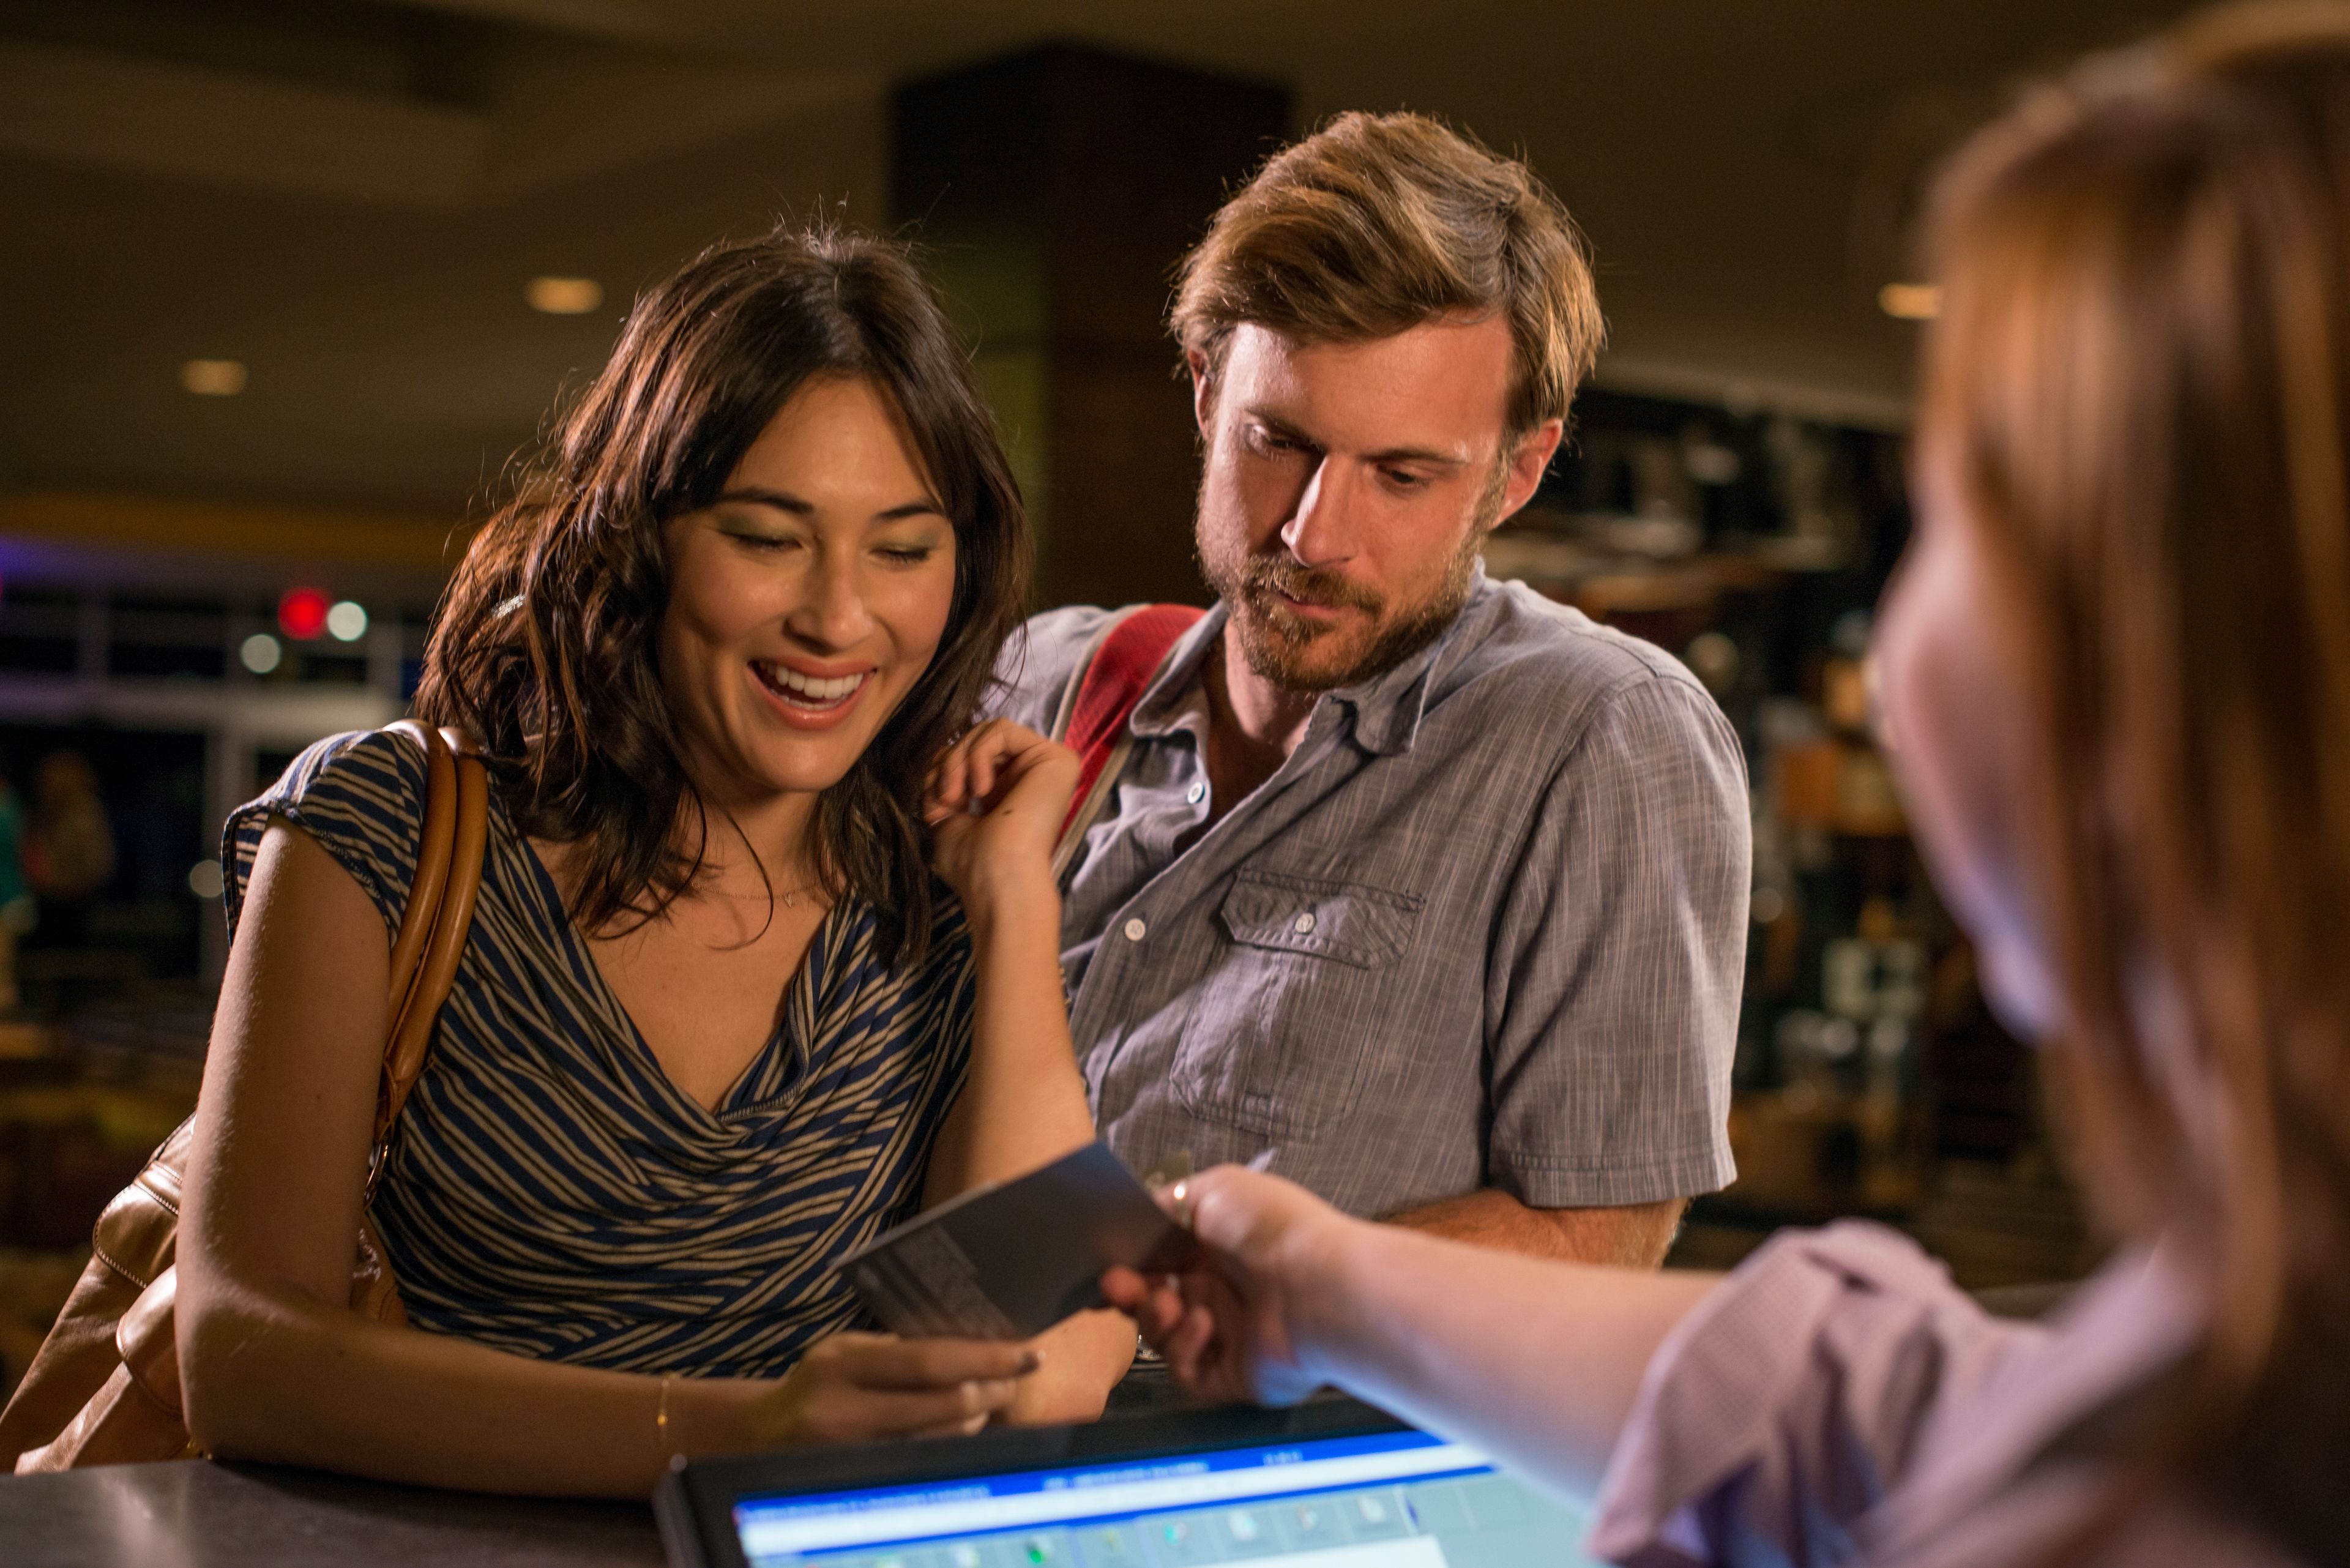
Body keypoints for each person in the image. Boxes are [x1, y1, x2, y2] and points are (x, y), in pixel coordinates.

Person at [1105, 7, 2350, 1564]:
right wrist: (1320, 1282)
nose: (1897, 662)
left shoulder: (1600, 727)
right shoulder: (2247, 1347)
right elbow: (1866, 1406)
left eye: (1974, 517)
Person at [170, 223, 1133, 1498]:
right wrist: (737, 1437)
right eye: (768, 535)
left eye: (903, 548)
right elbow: (239, 1356)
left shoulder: (943, 895)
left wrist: (1012, 901)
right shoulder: (386, 829)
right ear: (641, 537)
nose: (841, 619)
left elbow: (1032, 1357)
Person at [985, 113, 1749, 1264]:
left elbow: (1598, 1233)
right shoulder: (1047, 677)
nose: (1314, 533)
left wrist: (1182, 1287)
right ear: (1203, 393)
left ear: (1518, 472)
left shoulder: (1600, 737)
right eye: (1278, 441)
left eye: (1401, 474)